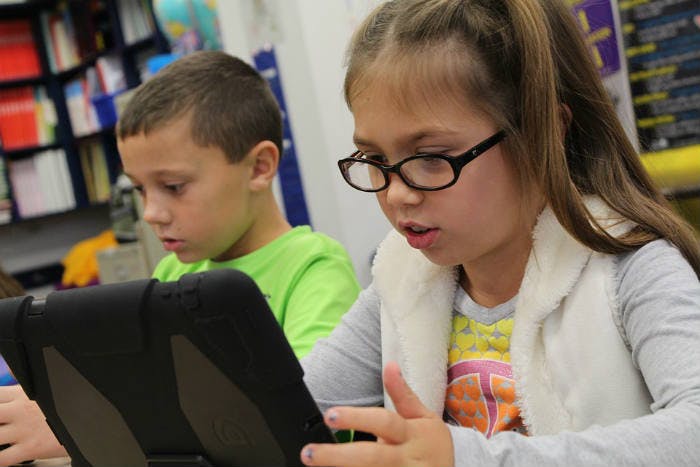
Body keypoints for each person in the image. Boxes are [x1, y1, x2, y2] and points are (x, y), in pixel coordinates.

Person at [298, 1, 700, 466]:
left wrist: (468, 458)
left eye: (431, 157)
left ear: (542, 131)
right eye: (375, 161)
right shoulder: (402, 278)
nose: (396, 194)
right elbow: (295, 412)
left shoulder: (632, 268)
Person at [0, 50, 361, 466]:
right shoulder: (175, 271)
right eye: (139, 190)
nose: (152, 212)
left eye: (173, 186)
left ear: (259, 168)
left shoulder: (314, 268)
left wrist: (80, 426)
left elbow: (295, 419)